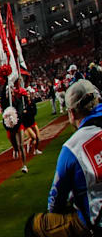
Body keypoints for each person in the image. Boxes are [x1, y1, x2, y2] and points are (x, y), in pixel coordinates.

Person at [24, 79, 102, 236]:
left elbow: (54, 204)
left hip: (96, 224)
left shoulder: (72, 148)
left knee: (33, 225)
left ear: (72, 113)